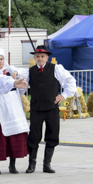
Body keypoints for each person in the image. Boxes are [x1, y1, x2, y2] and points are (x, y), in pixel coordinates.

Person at [20, 44, 76, 174]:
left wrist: (63, 95)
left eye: (42, 56)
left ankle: (47, 164)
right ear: (34, 57)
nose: (40, 58)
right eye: (38, 56)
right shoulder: (30, 71)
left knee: (52, 135)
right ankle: (32, 164)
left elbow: (70, 81)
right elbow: (22, 87)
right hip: (36, 109)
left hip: (51, 108)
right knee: (34, 136)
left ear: (47, 58)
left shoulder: (56, 69)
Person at [0, 48, 29, 175]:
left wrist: (15, 72)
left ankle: (12, 164)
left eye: (1, 59)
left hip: (13, 105)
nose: (0, 62)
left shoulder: (10, 71)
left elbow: (26, 73)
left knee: (14, 134)